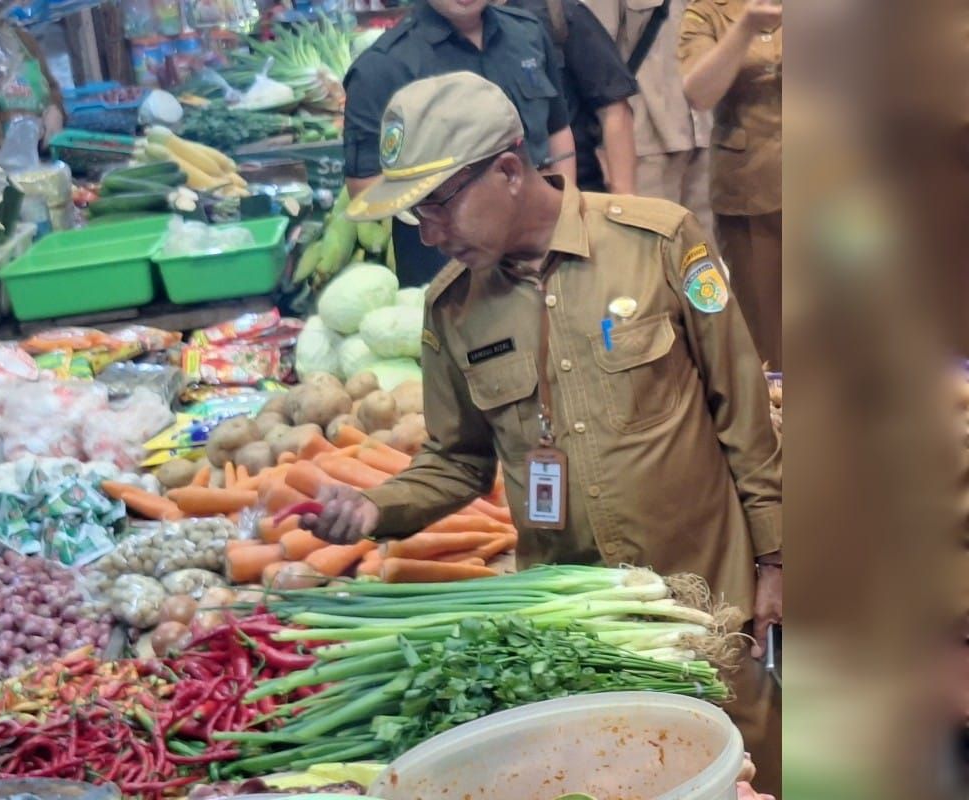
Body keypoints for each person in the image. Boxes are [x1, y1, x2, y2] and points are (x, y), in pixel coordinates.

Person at [316, 71, 783, 797]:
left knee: (753, 772)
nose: (430, 234)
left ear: (507, 170)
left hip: (711, 608)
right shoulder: (451, 311)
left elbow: (742, 409)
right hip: (580, 636)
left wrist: (777, 558)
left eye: (438, 206)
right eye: (416, 217)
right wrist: (378, 510)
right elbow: (456, 460)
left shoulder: (656, 239)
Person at [341, 0, 577, 287]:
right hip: (451, 264)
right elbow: (365, 186)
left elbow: (557, 130)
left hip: (540, 246)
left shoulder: (527, 33)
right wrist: (441, 210)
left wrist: (564, 216)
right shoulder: (382, 68)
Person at [678, 0, 781, 369]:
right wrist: (746, 27)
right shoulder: (707, 11)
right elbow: (699, 94)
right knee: (769, 332)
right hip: (753, 191)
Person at [581, 0, 715, 237]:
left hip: (706, 133)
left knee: (705, 261)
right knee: (651, 253)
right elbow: (593, 57)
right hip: (643, 142)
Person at [503, 0, 639, 193]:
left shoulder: (557, 14)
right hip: (503, 195)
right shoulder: (457, 30)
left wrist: (625, 200)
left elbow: (614, 107)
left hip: (579, 187)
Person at [0, 17, 65, 153]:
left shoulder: (24, 40)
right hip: (0, 156)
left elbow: (52, 87)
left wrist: (55, 111)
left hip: (43, 149)